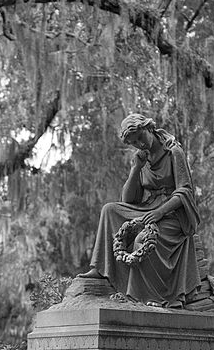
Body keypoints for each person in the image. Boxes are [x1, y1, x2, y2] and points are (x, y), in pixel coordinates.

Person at [78, 113, 201, 308]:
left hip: (172, 212)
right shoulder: (142, 159)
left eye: (140, 138)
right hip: (148, 207)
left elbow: (185, 191)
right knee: (109, 209)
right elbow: (128, 200)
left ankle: (150, 295)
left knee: (142, 240)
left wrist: (160, 212)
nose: (140, 144)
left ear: (149, 128)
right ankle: (100, 269)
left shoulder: (173, 151)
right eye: (134, 143)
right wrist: (136, 168)